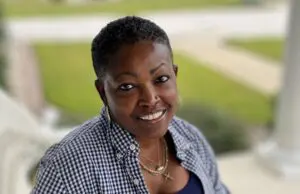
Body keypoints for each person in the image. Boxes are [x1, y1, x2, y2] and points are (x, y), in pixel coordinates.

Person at [31, 16, 230, 194]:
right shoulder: (67, 168)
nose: (150, 99)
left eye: (161, 79)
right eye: (127, 86)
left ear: (174, 76)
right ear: (103, 93)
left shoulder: (192, 139)